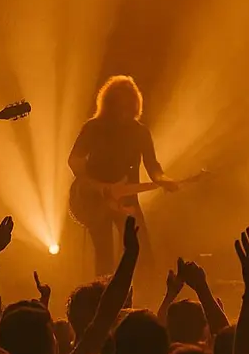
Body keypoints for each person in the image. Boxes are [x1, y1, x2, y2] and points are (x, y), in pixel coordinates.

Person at [68, 75, 177, 277]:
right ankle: (105, 298)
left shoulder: (140, 133)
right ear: (109, 104)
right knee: (104, 256)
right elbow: (74, 160)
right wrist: (96, 186)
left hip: (127, 200)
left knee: (141, 251)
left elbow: (153, 166)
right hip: (96, 200)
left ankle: (142, 297)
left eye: (128, 105)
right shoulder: (93, 127)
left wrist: (163, 180)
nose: (123, 111)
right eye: (119, 105)